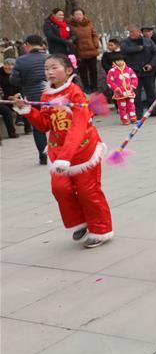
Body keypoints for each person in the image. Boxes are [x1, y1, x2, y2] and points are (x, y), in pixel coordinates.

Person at [12, 55, 113, 247]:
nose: (49, 72)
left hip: (83, 150)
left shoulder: (76, 93)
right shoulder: (46, 95)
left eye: (54, 67)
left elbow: (79, 126)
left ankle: (101, 230)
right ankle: (80, 222)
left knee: (88, 191)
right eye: (46, 68)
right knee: (60, 189)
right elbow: (44, 125)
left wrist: (66, 156)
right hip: (58, 151)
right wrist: (27, 110)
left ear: (68, 70)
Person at [11, 35, 50, 164]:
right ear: (42, 45)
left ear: (27, 44)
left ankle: (43, 155)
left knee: (38, 128)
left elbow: (14, 80)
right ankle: (63, 152)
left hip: (32, 97)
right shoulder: (51, 58)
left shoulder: (21, 61)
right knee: (57, 123)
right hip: (52, 96)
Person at [120, 25, 156, 118]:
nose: (130, 34)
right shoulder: (125, 42)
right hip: (134, 72)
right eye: (129, 32)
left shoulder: (148, 41)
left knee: (151, 92)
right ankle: (137, 113)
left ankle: (153, 110)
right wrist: (139, 48)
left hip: (148, 71)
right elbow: (124, 50)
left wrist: (151, 64)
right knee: (136, 94)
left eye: (132, 32)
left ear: (138, 32)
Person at [69, 8, 100, 92]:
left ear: (83, 15)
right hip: (79, 52)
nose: (78, 16)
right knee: (83, 71)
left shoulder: (89, 24)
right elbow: (70, 38)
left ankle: (94, 86)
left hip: (91, 50)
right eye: (76, 14)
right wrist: (74, 48)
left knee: (93, 70)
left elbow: (95, 35)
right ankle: (86, 86)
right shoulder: (70, 26)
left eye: (80, 14)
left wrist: (96, 44)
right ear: (73, 16)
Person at [106, 52, 138, 125]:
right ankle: (124, 119)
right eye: (117, 60)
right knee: (122, 107)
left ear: (124, 60)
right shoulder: (112, 71)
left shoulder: (129, 69)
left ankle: (133, 118)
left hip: (129, 91)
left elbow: (134, 78)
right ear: (114, 62)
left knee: (131, 105)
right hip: (120, 93)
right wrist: (116, 88)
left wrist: (133, 86)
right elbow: (110, 81)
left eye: (121, 60)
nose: (120, 62)